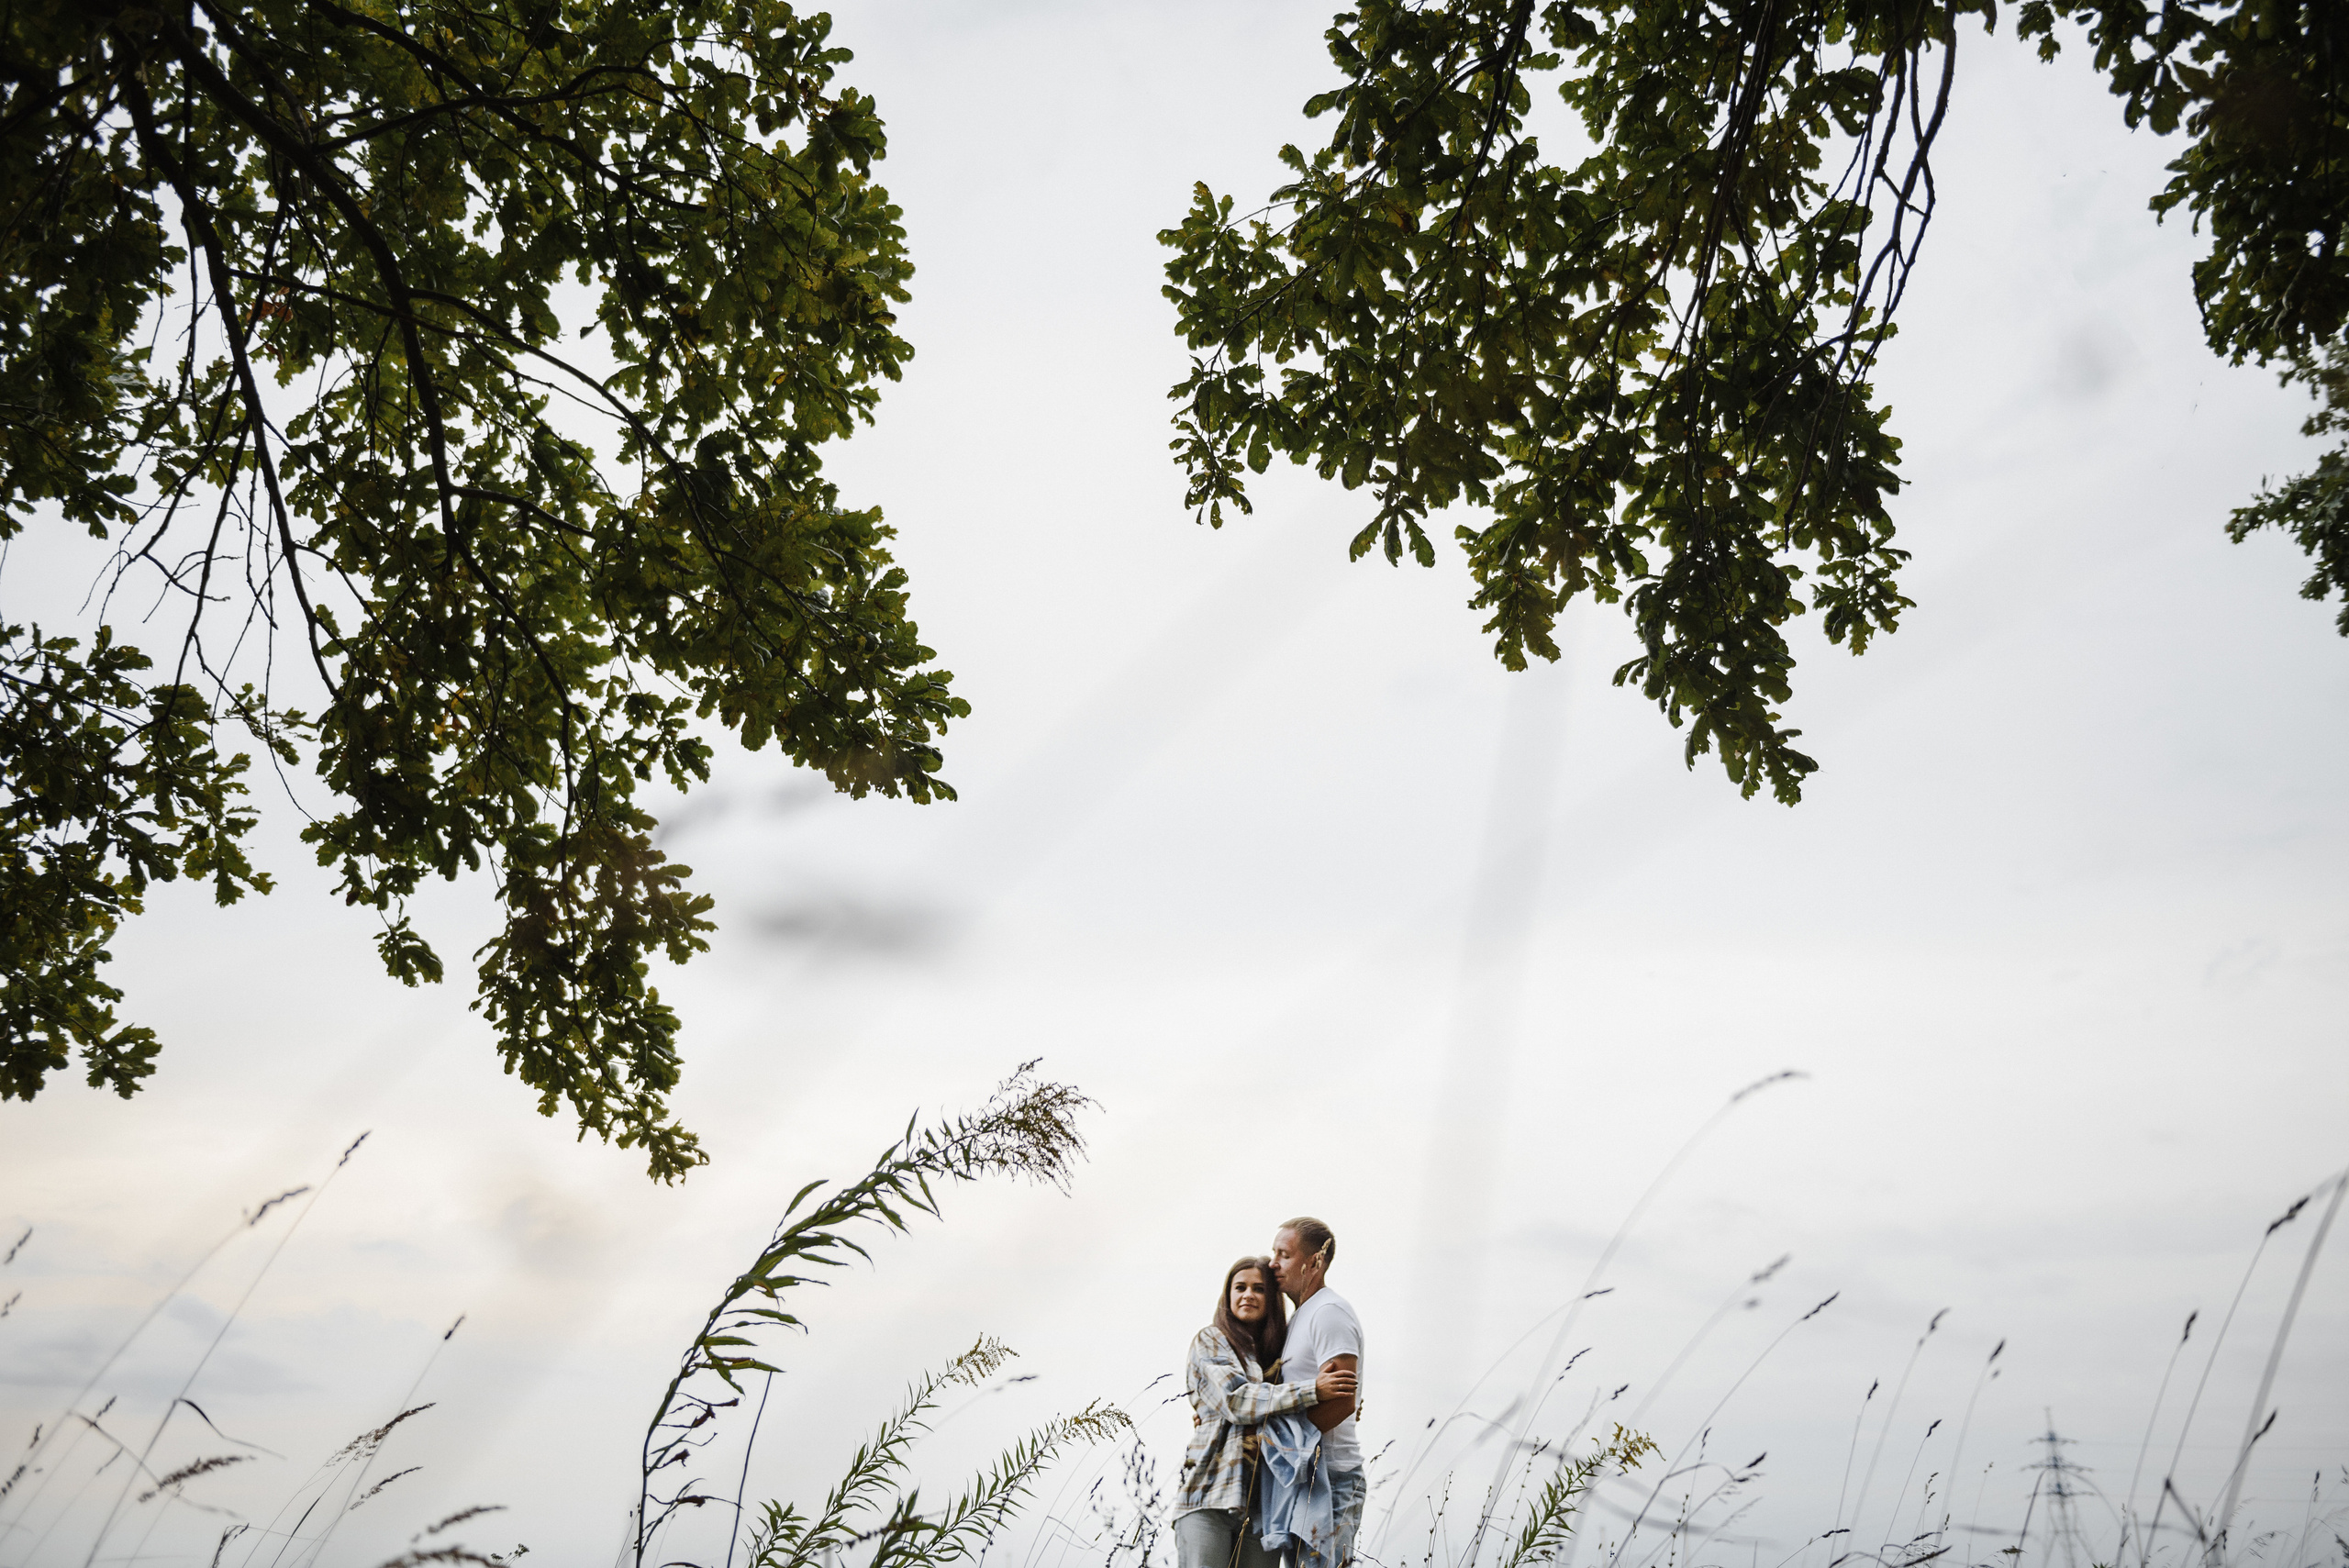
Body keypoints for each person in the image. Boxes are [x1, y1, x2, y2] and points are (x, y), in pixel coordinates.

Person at [1176, 1255, 1358, 1568]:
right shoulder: (1211, 1340)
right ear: (1227, 1295)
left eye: (1259, 1289)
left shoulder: (1278, 1357)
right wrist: (1312, 1391)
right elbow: (1236, 1401)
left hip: (1264, 1509)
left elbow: (1286, 1415)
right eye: (1240, 1287)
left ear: (1271, 1299)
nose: (1248, 1294)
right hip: (1209, 1496)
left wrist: (1335, 1404)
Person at [1268, 1217, 1364, 1568]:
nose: (1272, 1263)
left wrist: (1286, 1447)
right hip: (1304, 1476)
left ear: (1315, 1262)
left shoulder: (1329, 1312)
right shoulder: (1299, 1318)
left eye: (1284, 1254)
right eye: (1273, 1253)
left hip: (1333, 1476)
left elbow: (1342, 1401)